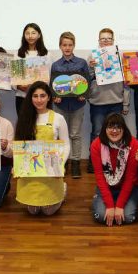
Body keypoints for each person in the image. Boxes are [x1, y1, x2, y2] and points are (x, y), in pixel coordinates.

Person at [14, 81, 70, 215]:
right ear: (30, 98)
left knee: (48, 211)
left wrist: (61, 163)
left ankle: (62, 188)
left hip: (51, 168)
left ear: (49, 97)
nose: (39, 100)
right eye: (35, 96)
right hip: (30, 169)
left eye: (43, 96)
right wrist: (15, 165)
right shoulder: (24, 118)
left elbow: (66, 144)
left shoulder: (58, 118)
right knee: (33, 211)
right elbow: (19, 144)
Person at [87, 28, 130, 172]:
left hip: (115, 101)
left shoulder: (121, 57)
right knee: (97, 132)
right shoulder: (92, 57)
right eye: (103, 39)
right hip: (98, 102)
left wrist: (125, 103)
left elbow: (126, 83)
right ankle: (94, 161)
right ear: (98, 41)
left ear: (113, 41)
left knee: (116, 132)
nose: (106, 41)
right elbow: (86, 79)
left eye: (109, 39)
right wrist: (91, 68)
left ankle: (114, 161)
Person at [90, 113, 138, 226]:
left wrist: (119, 206)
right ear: (105, 129)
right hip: (107, 185)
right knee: (100, 216)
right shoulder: (96, 145)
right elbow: (100, 177)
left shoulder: (134, 145)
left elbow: (130, 179)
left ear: (124, 129)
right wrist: (110, 206)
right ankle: (109, 200)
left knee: (128, 218)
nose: (114, 131)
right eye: (110, 127)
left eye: (118, 127)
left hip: (131, 187)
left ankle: (123, 202)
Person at [51, 31, 89, 179]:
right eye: (64, 45)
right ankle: (62, 162)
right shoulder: (55, 65)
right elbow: (52, 85)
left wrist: (83, 94)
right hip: (60, 106)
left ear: (74, 46)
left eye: (70, 45)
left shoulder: (81, 63)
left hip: (77, 105)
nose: (67, 47)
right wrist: (55, 97)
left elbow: (86, 82)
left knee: (75, 134)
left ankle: (76, 164)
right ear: (60, 46)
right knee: (60, 136)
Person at [14, 23, 49, 114]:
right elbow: (14, 79)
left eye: (33, 33)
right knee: (25, 126)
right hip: (22, 98)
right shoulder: (18, 54)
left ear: (39, 35)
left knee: (41, 125)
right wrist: (19, 86)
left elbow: (49, 78)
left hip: (40, 99)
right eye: (27, 33)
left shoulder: (47, 54)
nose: (30, 36)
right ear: (24, 35)